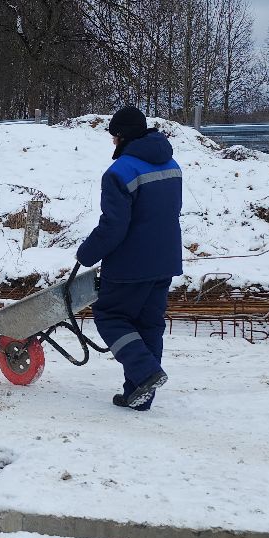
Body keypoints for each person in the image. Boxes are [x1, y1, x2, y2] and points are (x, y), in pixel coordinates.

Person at [75, 105, 183, 410]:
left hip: (130, 265)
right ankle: (139, 394)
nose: (112, 143)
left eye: (113, 137)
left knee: (111, 317)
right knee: (149, 325)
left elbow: (114, 226)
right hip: (165, 261)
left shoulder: (120, 172)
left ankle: (146, 373)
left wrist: (86, 254)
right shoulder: (172, 165)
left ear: (122, 136)